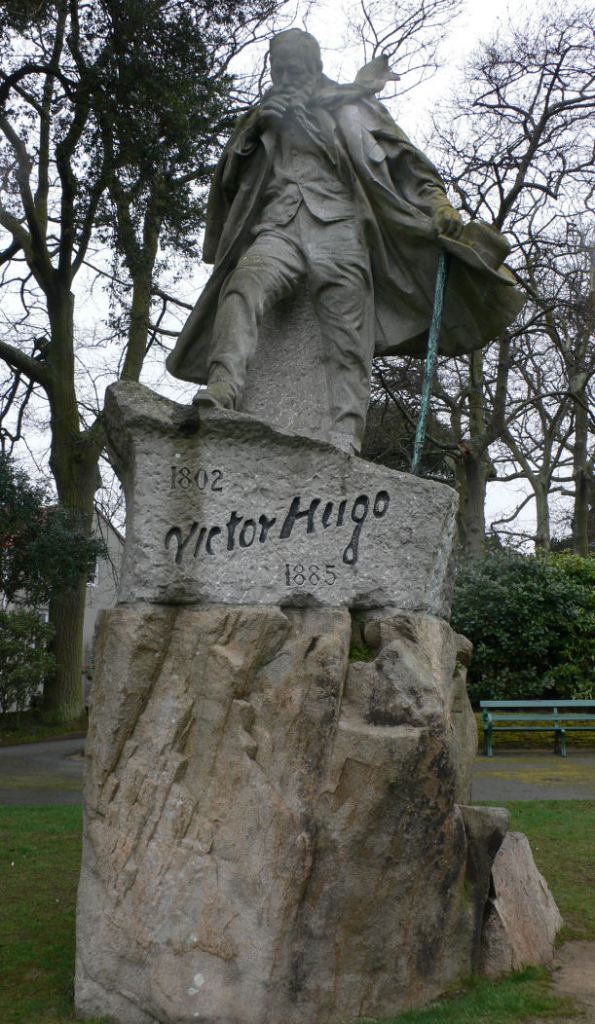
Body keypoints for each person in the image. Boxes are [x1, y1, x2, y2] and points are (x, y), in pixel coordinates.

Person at [167, 28, 523, 454]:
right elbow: (227, 190)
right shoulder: (262, 116)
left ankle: (344, 432)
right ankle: (224, 386)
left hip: (339, 228)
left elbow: (408, 166)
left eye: (293, 69)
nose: (284, 77)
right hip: (278, 226)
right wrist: (255, 129)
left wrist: (441, 206)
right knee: (243, 284)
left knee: (348, 327)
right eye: (277, 70)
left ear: (315, 67)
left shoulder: (355, 107)